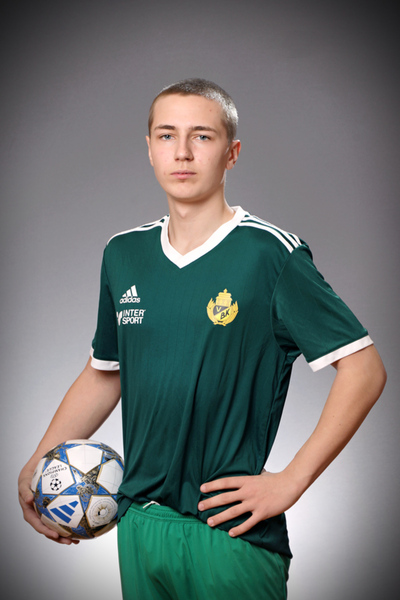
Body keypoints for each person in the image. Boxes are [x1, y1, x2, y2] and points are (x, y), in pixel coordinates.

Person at [18, 78, 386, 599]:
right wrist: (38, 462)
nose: (183, 152)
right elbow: (105, 374)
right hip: (138, 524)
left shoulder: (269, 254)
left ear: (231, 153)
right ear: (149, 149)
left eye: (203, 136)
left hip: (229, 534)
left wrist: (292, 479)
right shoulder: (123, 254)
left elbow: (364, 369)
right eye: (167, 135)